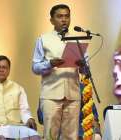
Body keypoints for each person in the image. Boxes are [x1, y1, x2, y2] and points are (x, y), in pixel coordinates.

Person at [32, 4, 83, 140]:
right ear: (52, 20)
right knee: (50, 135)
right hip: (51, 95)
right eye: (60, 16)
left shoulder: (77, 39)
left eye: (67, 16)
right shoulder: (43, 39)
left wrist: (82, 66)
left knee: (71, 136)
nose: (64, 19)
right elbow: (35, 67)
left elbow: (86, 68)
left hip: (73, 95)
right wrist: (49, 63)